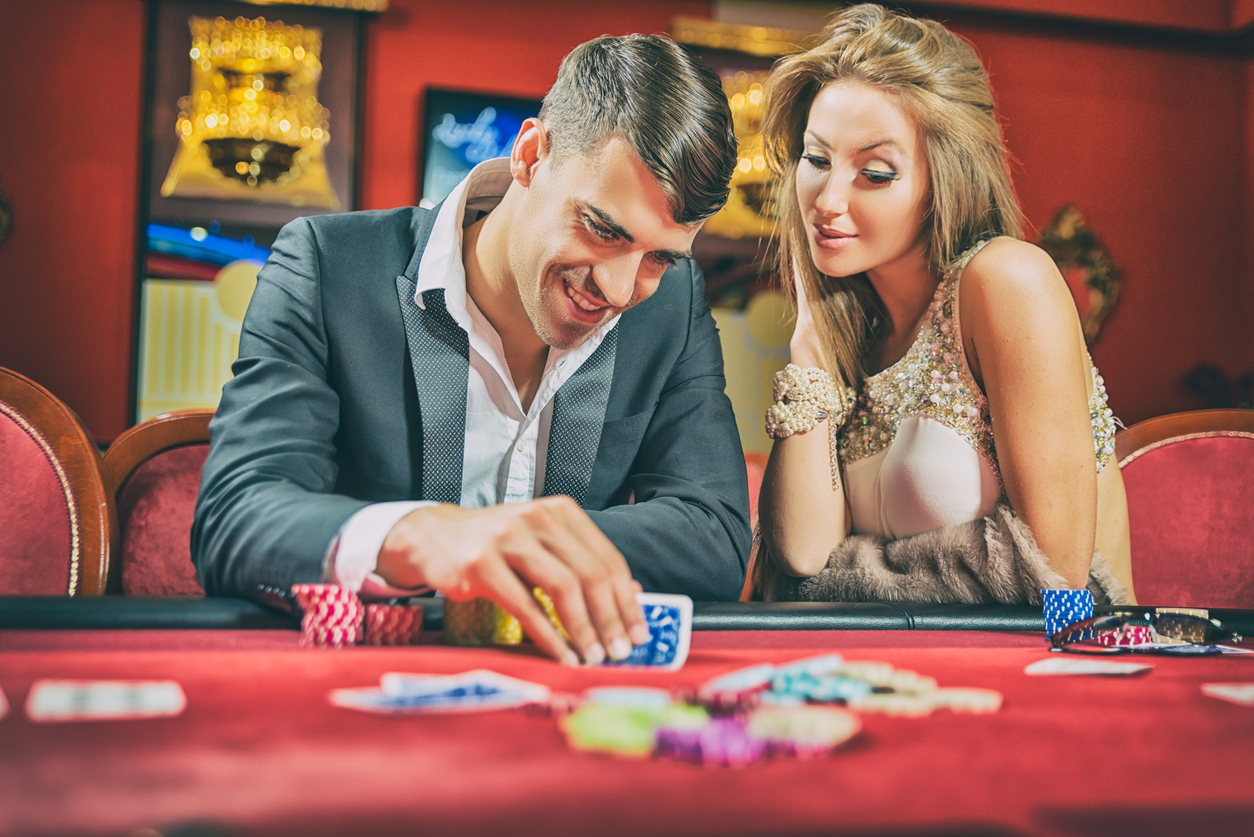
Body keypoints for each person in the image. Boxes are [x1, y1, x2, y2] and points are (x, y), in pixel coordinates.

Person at [191, 34, 751, 666]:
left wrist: (516, 545)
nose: (622, 290)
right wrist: (424, 537)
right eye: (601, 229)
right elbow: (236, 517)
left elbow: (715, 535)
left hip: (563, 699)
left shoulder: (672, 306)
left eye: (659, 258)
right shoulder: (326, 266)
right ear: (532, 156)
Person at [753, 4, 1135, 604]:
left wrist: (848, 579)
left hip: (1062, 672)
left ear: (945, 181)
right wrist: (807, 345)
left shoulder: (1005, 281)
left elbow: (1056, 575)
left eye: (875, 173)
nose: (827, 199)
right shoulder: (849, 331)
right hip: (894, 677)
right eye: (818, 159)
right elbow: (801, 559)